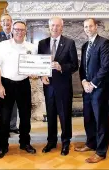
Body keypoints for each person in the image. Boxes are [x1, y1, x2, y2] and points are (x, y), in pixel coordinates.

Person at [0, 21, 37, 159]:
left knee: (25, 116)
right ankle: (2, 146)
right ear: (12, 30)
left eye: (22, 30)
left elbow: (34, 68)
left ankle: (25, 143)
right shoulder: (2, 45)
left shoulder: (31, 47)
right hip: (6, 84)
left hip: (24, 84)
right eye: (16, 29)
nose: (19, 32)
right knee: (4, 117)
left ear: (25, 31)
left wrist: (35, 74)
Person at [38, 16, 78, 156]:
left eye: (57, 25)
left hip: (64, 87)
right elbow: (39, 64)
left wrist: (61, 67)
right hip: (48, 86)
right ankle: (51, 141)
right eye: (52, 25)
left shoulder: (69, 43)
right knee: (50, 115)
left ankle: (66, 142)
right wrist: (42, 76)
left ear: (62, 27)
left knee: (65, 116)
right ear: (49, 27)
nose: (55, 28)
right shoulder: (42, 43)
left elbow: (74, 66)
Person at [75, 18, 109, 163]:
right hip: (87, 88)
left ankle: (101, 151)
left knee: (100, 121)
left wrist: (93, 83)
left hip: (99, 89)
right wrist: (84, 81)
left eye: (90, 26)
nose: (88, 29)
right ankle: (91, 143)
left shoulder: (104, 43)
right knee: (88, 118)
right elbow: (82, 67)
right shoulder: (85, 45)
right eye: (85, 27)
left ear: (96, 27)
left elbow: (105, 67)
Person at [0, 13, 19, 135]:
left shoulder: (17, 36)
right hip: (2, 76)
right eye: (4, 21)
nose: (6, 23)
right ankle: (5, 127)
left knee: (14, 103)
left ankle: (13, 125)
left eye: (8, 20)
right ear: (1, 24)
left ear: (11, 22)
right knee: (4, 104)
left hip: (16, 76)